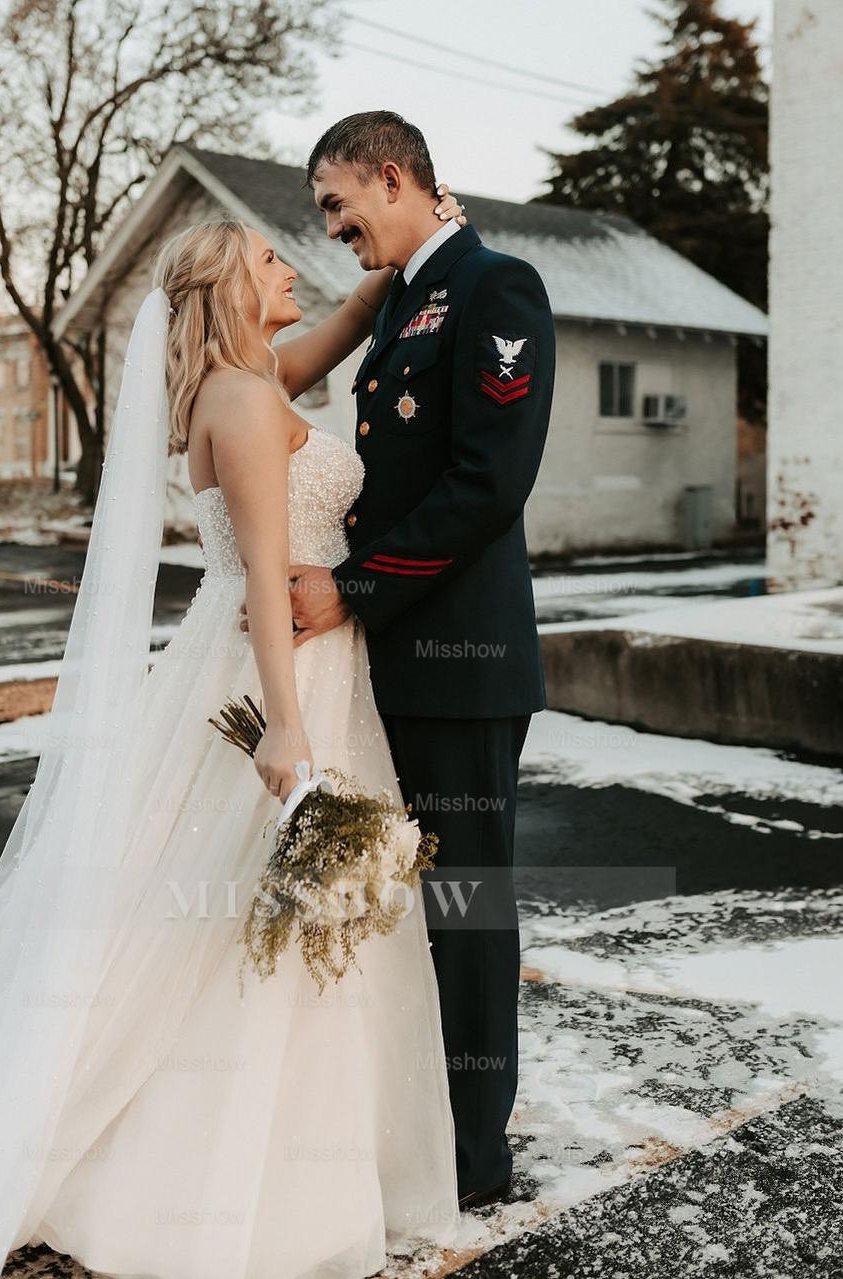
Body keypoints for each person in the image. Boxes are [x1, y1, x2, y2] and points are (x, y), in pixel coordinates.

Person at [0, 189, 475, 1276]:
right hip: (274, 670)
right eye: (270, 260)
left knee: (251, 913)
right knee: (228, 915)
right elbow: (265, 570)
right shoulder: (238, 399)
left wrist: (404, 256)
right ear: (228, 288)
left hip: (300, 657)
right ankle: (202, 1167)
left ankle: (305, 1154)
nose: (289, 268)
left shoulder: (256, 381)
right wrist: (287, 726)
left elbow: (330, 336)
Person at [284, 111, 556, 1210]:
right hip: (400, 659)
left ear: (393, 179)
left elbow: (487, 484)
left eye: (340, 206)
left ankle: (475, 1162)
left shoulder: (499, 288)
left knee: (467, 908)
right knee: (410, 908)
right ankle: (416, 1128)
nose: (335, 229)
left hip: (462, 662)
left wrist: (352, 590)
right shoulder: (401, 298)